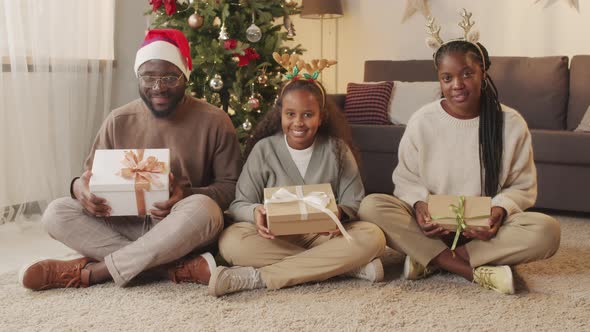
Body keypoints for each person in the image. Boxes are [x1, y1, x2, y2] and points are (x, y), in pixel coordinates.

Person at [19, 29, 242, 290]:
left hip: (180, 227)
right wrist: (79, 188)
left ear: (185, 77)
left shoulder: (214, 120)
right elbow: (89, 177)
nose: (157, 87)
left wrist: (185, 194)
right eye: (148, 77)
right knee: (56, 213)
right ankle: (171, 268)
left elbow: (230, 188)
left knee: (204, 209)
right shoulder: (118, 119)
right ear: (138, 77)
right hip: (126, 223)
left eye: (170, 77)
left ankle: (96, 271)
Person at [359, 11, 560, 295]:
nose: (457, 85)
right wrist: (419, 206)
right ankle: (469, 267)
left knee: (547, 231)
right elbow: (406, 179)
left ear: (483, 73)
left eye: (467, 73)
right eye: (447, 77)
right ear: (439, 80)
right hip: (434, 228)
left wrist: (499, 211)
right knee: (371, 206)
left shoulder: (511, 123)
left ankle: (430, 259)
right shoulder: (422, 121)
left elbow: (523, 187)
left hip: (485, 230)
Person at [208, 55, 386, 297]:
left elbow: (355, 199)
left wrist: (340, 213)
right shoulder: (264, 149)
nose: (298, 123)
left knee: (373, 236)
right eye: (290, 114)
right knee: (231, 241)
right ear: (280, 114)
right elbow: (239, 203)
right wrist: (255, 212)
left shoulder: (337, 149)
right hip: (274, 238)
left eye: (307, 114)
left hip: (322, 237)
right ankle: (346, 268)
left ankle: (258, 277)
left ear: (321, 116)